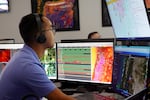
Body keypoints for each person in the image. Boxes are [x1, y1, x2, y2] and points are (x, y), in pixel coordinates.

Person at [0, 13, 76, 100]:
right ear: (40, 36)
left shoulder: (22, 56)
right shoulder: (28, 65)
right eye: (51, 28)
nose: (53, 33)